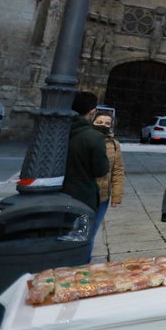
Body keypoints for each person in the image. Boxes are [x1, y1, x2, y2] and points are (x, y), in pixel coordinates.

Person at [62, 91, 110, 249]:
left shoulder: (57, 130)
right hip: (82, 196)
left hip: (56, 194)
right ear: (92, 111)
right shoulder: (93, 137)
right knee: (79, 240)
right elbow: (100, 170)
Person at [91, 110, 125, 240]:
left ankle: (86, 259)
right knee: (81, 231)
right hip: (84, 195)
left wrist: (116, 195)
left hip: (102, 196)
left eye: (107, 123)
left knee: (93, 231)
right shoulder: (84, 139)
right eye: (99, 122)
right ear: (92, 122)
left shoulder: (114, 144)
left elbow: (118, 170)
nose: (103, 125)